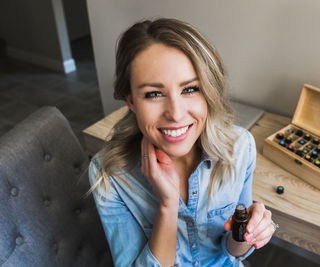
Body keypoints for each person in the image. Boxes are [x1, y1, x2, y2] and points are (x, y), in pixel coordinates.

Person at [89, 18, 277, 267]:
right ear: (131, 102)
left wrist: (246, 232)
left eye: (190, 89)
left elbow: (233, 251)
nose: (176, 114)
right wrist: (167, 206)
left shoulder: (240, 148)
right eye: (154, 94)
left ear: (209, 92)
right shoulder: (110, 175)